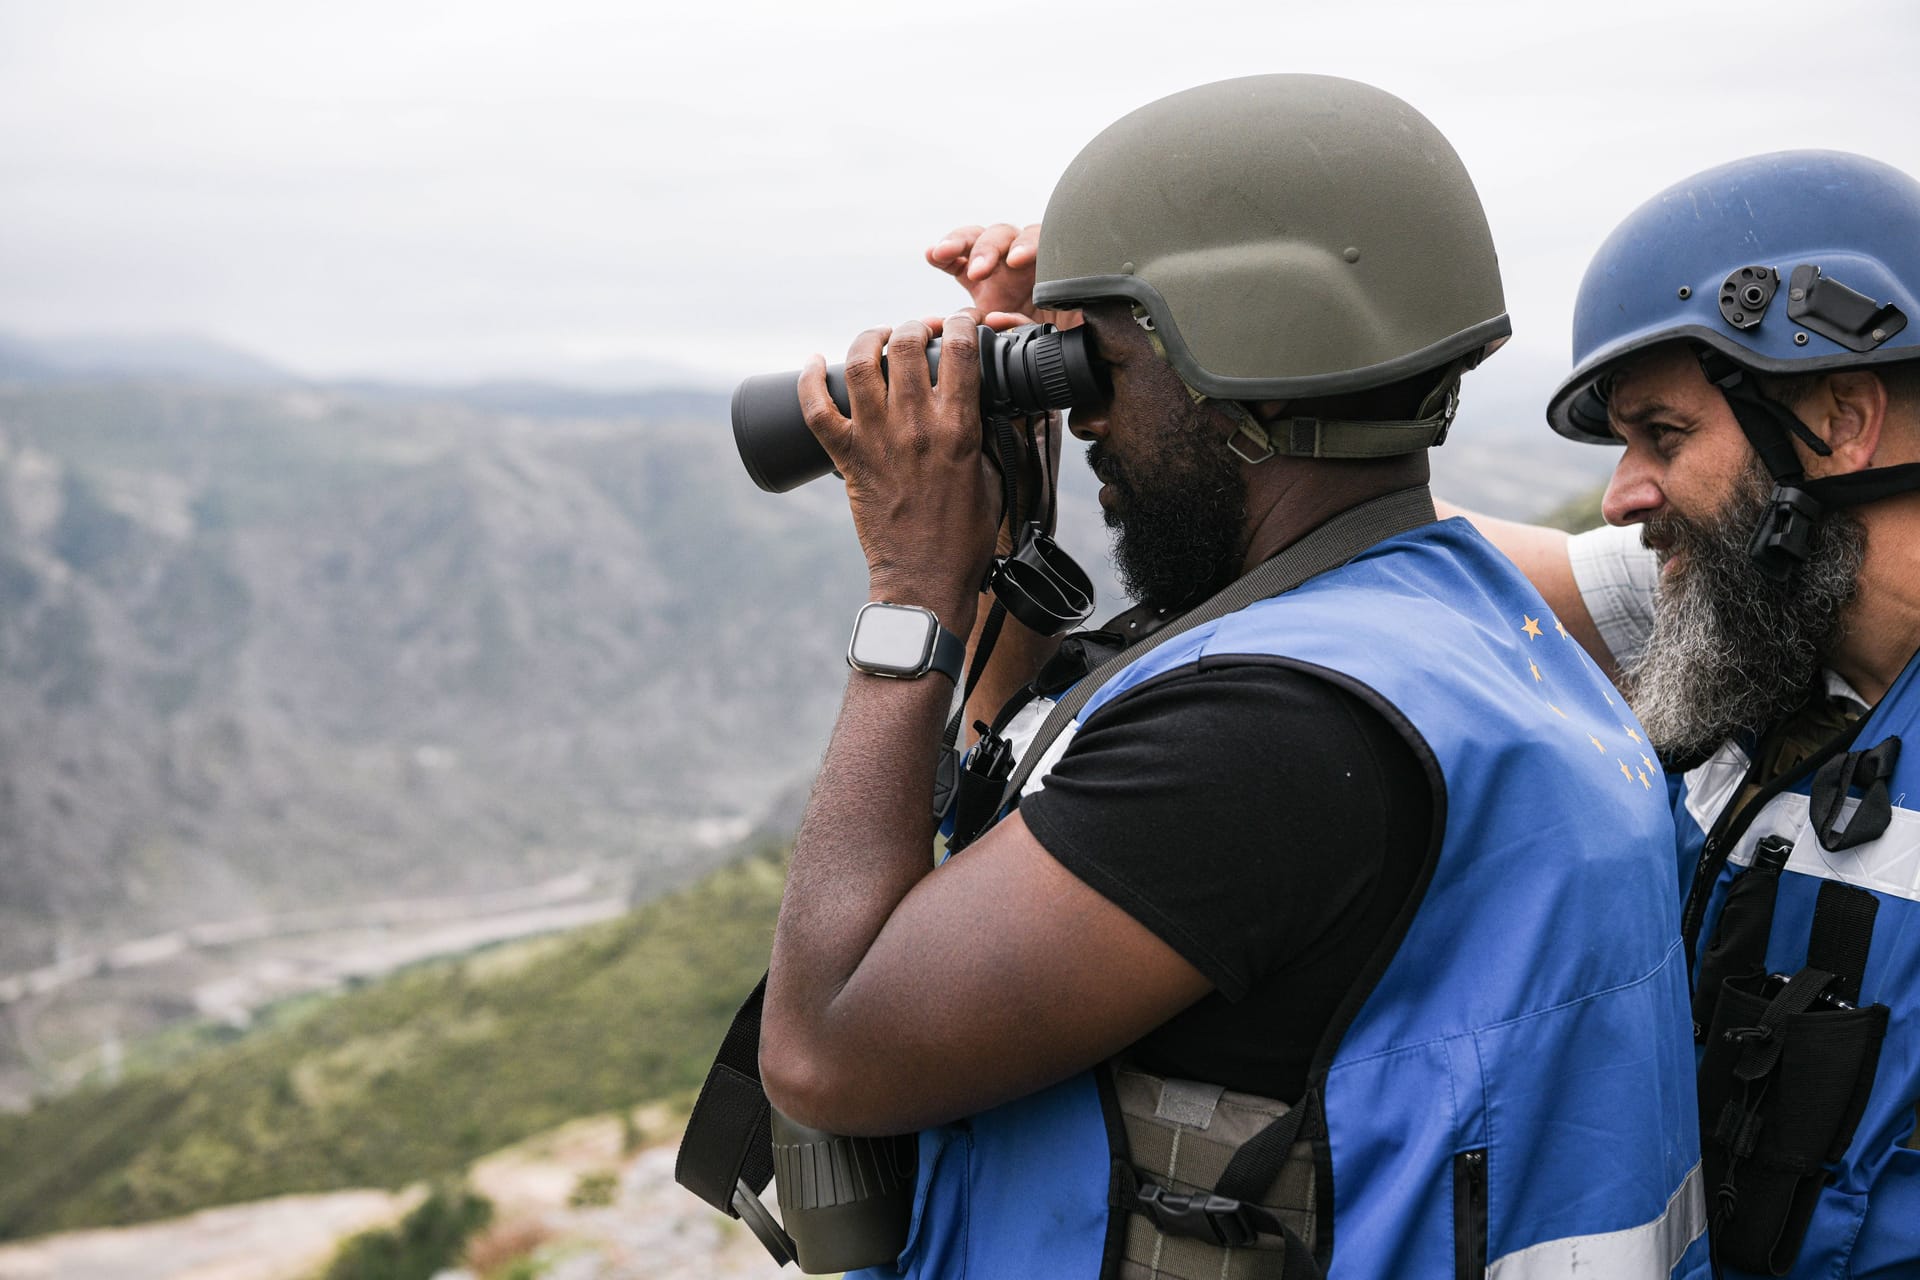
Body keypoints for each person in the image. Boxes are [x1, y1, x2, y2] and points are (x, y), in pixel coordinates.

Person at [750, 75, 1707, 1278]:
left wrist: (910, 591)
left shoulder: (1269, 737)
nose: (1083, 415)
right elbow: (1004, 776)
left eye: (1097, 361)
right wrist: (998, 537)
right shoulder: (1469, 626)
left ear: (1237, 355)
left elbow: (827, 1047)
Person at [1441, 151, 1920, 1278]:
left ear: (1840, 420)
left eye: (1662, 435)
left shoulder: (1749, 588)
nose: (1622, 496)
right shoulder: (1743, 610)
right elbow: (1422, 543)